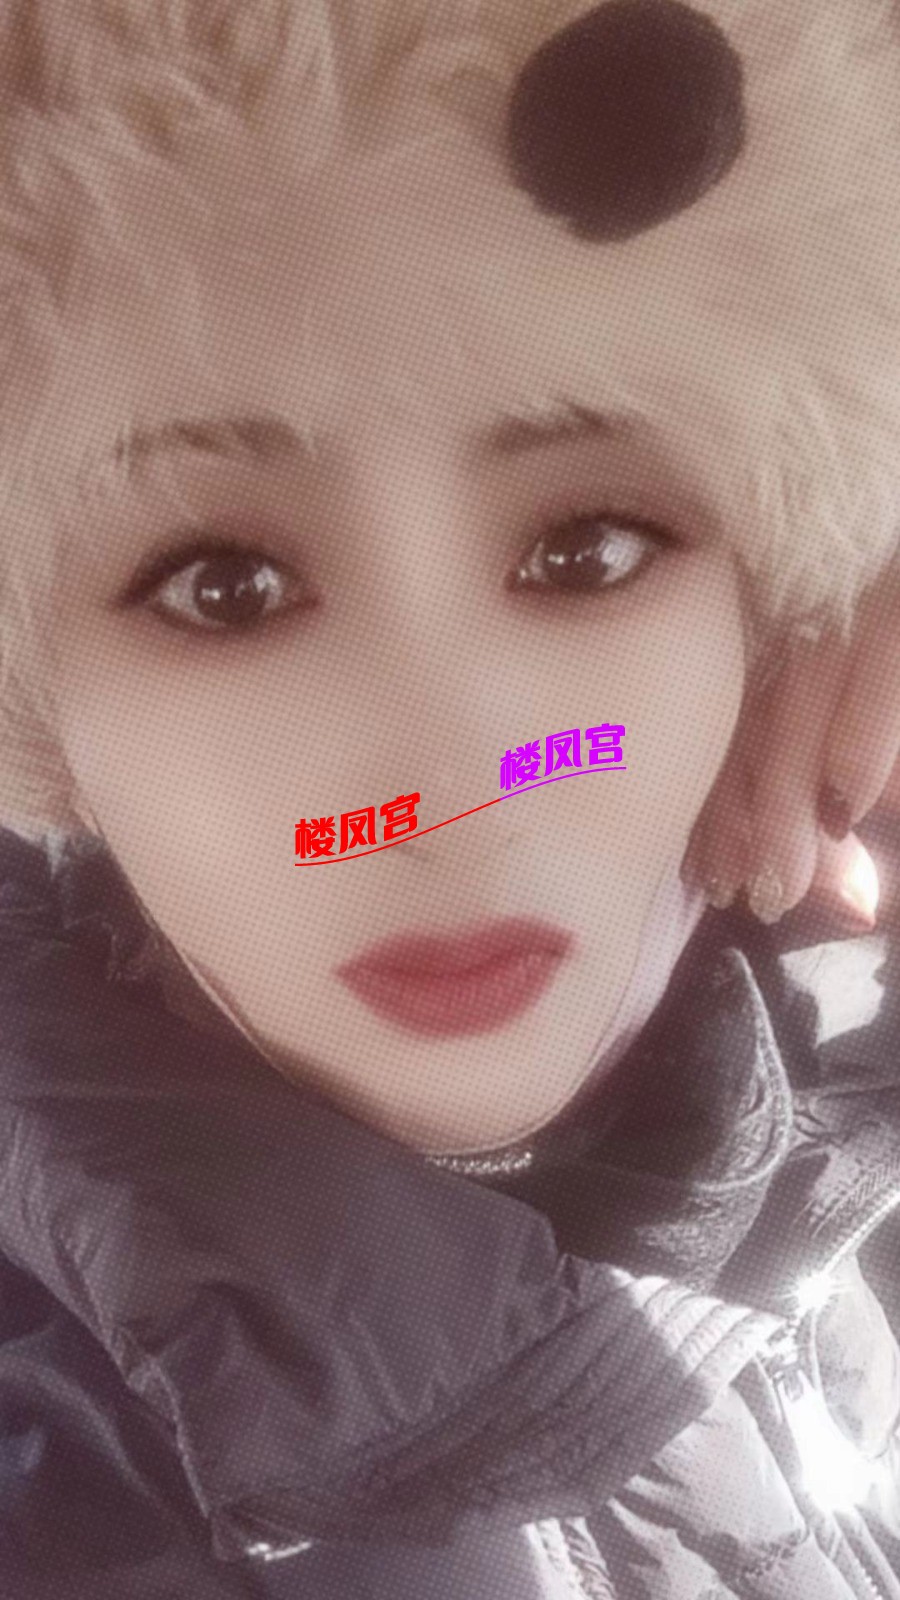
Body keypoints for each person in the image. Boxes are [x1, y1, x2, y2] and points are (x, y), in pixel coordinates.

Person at [0, 2, 899, 1595]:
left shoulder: (821, 1060)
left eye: (587, 550)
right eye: (224, 585)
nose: (450, 792)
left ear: (772, 620)